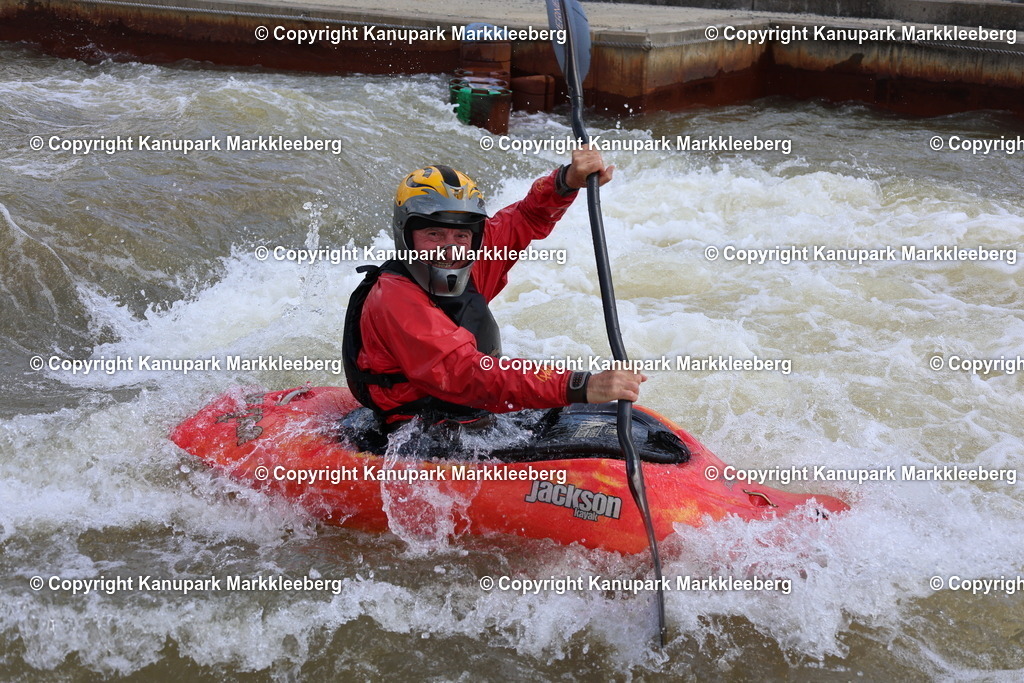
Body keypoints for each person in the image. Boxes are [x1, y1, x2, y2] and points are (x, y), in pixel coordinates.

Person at [342, 148, 645, 437]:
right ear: (405, 233)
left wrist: (566, 181)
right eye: (433, 234)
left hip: (474, 413)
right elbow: (466, 373)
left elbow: (525, 217)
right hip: (418, 431)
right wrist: (582, 385)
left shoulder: (471, 261)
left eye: (461, 234)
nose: (450, 248)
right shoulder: (394, 299)